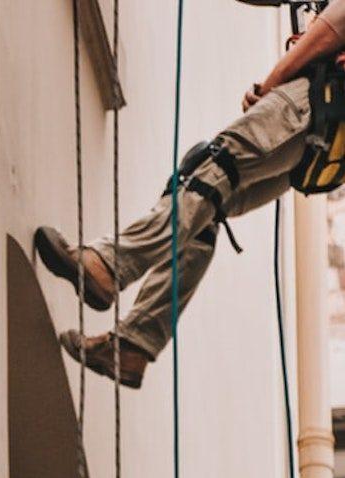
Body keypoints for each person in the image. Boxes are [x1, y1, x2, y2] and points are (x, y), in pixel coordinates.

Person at [35, 0, 345, 388]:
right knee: (209, 203)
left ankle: (109, 265)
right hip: (327, 142)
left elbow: (339, 20)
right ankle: (134, 343)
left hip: (320, 99)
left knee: (211, 169)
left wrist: (271, 84)